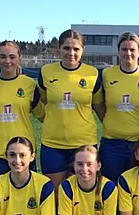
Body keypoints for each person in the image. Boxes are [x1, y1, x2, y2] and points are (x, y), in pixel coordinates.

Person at [38, 29, 102, 187]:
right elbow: (43, 101)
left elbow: (98, 105)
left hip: (84, 143)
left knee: (82, 194)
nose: (71, 53)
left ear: (82, 50)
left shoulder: (93, 74)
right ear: (59, 48)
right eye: (66, 48)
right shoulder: (46, 72)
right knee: (55, 194)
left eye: (76, 49)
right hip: (53, 144)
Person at [95, 32, 139, 182]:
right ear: (118, 51)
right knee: (111, 189)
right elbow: (98, 103)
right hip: (112, 144)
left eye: (132, 49)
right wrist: (111, 122)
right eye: (124, 49)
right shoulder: (106, 75)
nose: (128, 53)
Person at [0, 41, 44, 182]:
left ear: (19, 58)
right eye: (3, 57)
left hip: (23, 151)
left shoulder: (29, 84)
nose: (7, 61)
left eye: (12, 56)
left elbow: (43, 115)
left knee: (25, 196)